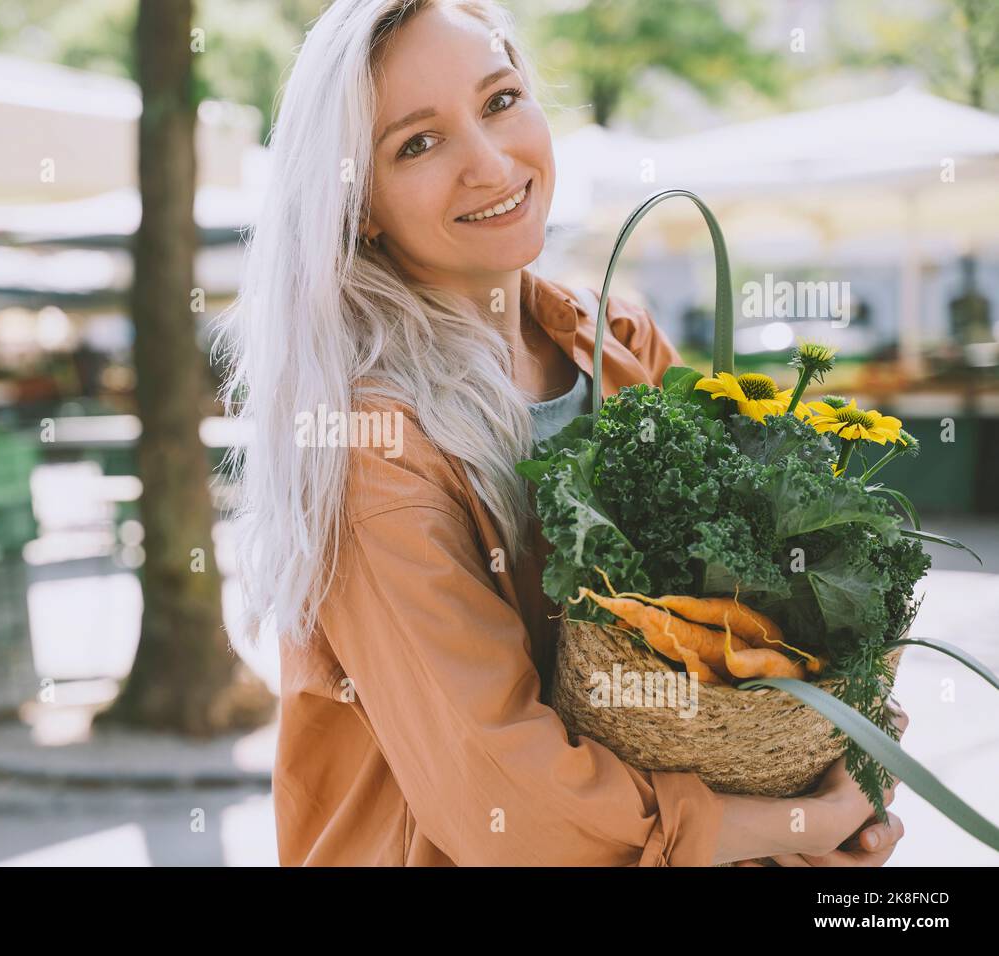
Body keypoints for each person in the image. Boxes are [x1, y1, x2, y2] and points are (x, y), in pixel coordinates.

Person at [214, 0, 907, 867]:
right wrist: (786, 825)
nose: (490, 160)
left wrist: (826, 785)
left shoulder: (616, 340)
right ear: (360, 209)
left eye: (500, 100)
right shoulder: (367, 450)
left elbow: (741, 639)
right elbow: (507, 805)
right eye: (417, 144)